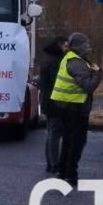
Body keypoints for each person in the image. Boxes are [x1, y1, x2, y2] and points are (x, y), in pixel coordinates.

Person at [49, 32, 102, 185]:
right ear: (80, 46)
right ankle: (71, 174)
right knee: (76, 142)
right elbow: (88, 86)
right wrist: (98, 74)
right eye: (86, 44)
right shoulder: (76, 62)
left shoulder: (71, 58)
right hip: (74, 107)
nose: (89, 47)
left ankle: (62, 172)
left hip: (67, 105)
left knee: (68, 140)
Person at [38, 35, 68, 173]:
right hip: (55, 101)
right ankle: (55, 164)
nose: (67, 49)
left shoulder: (47, 59)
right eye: (65, 46)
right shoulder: (56, 61)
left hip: (47, 101)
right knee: (55, 134)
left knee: (51, 133)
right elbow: (57, 81)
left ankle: (50, 163)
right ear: (59, 45)